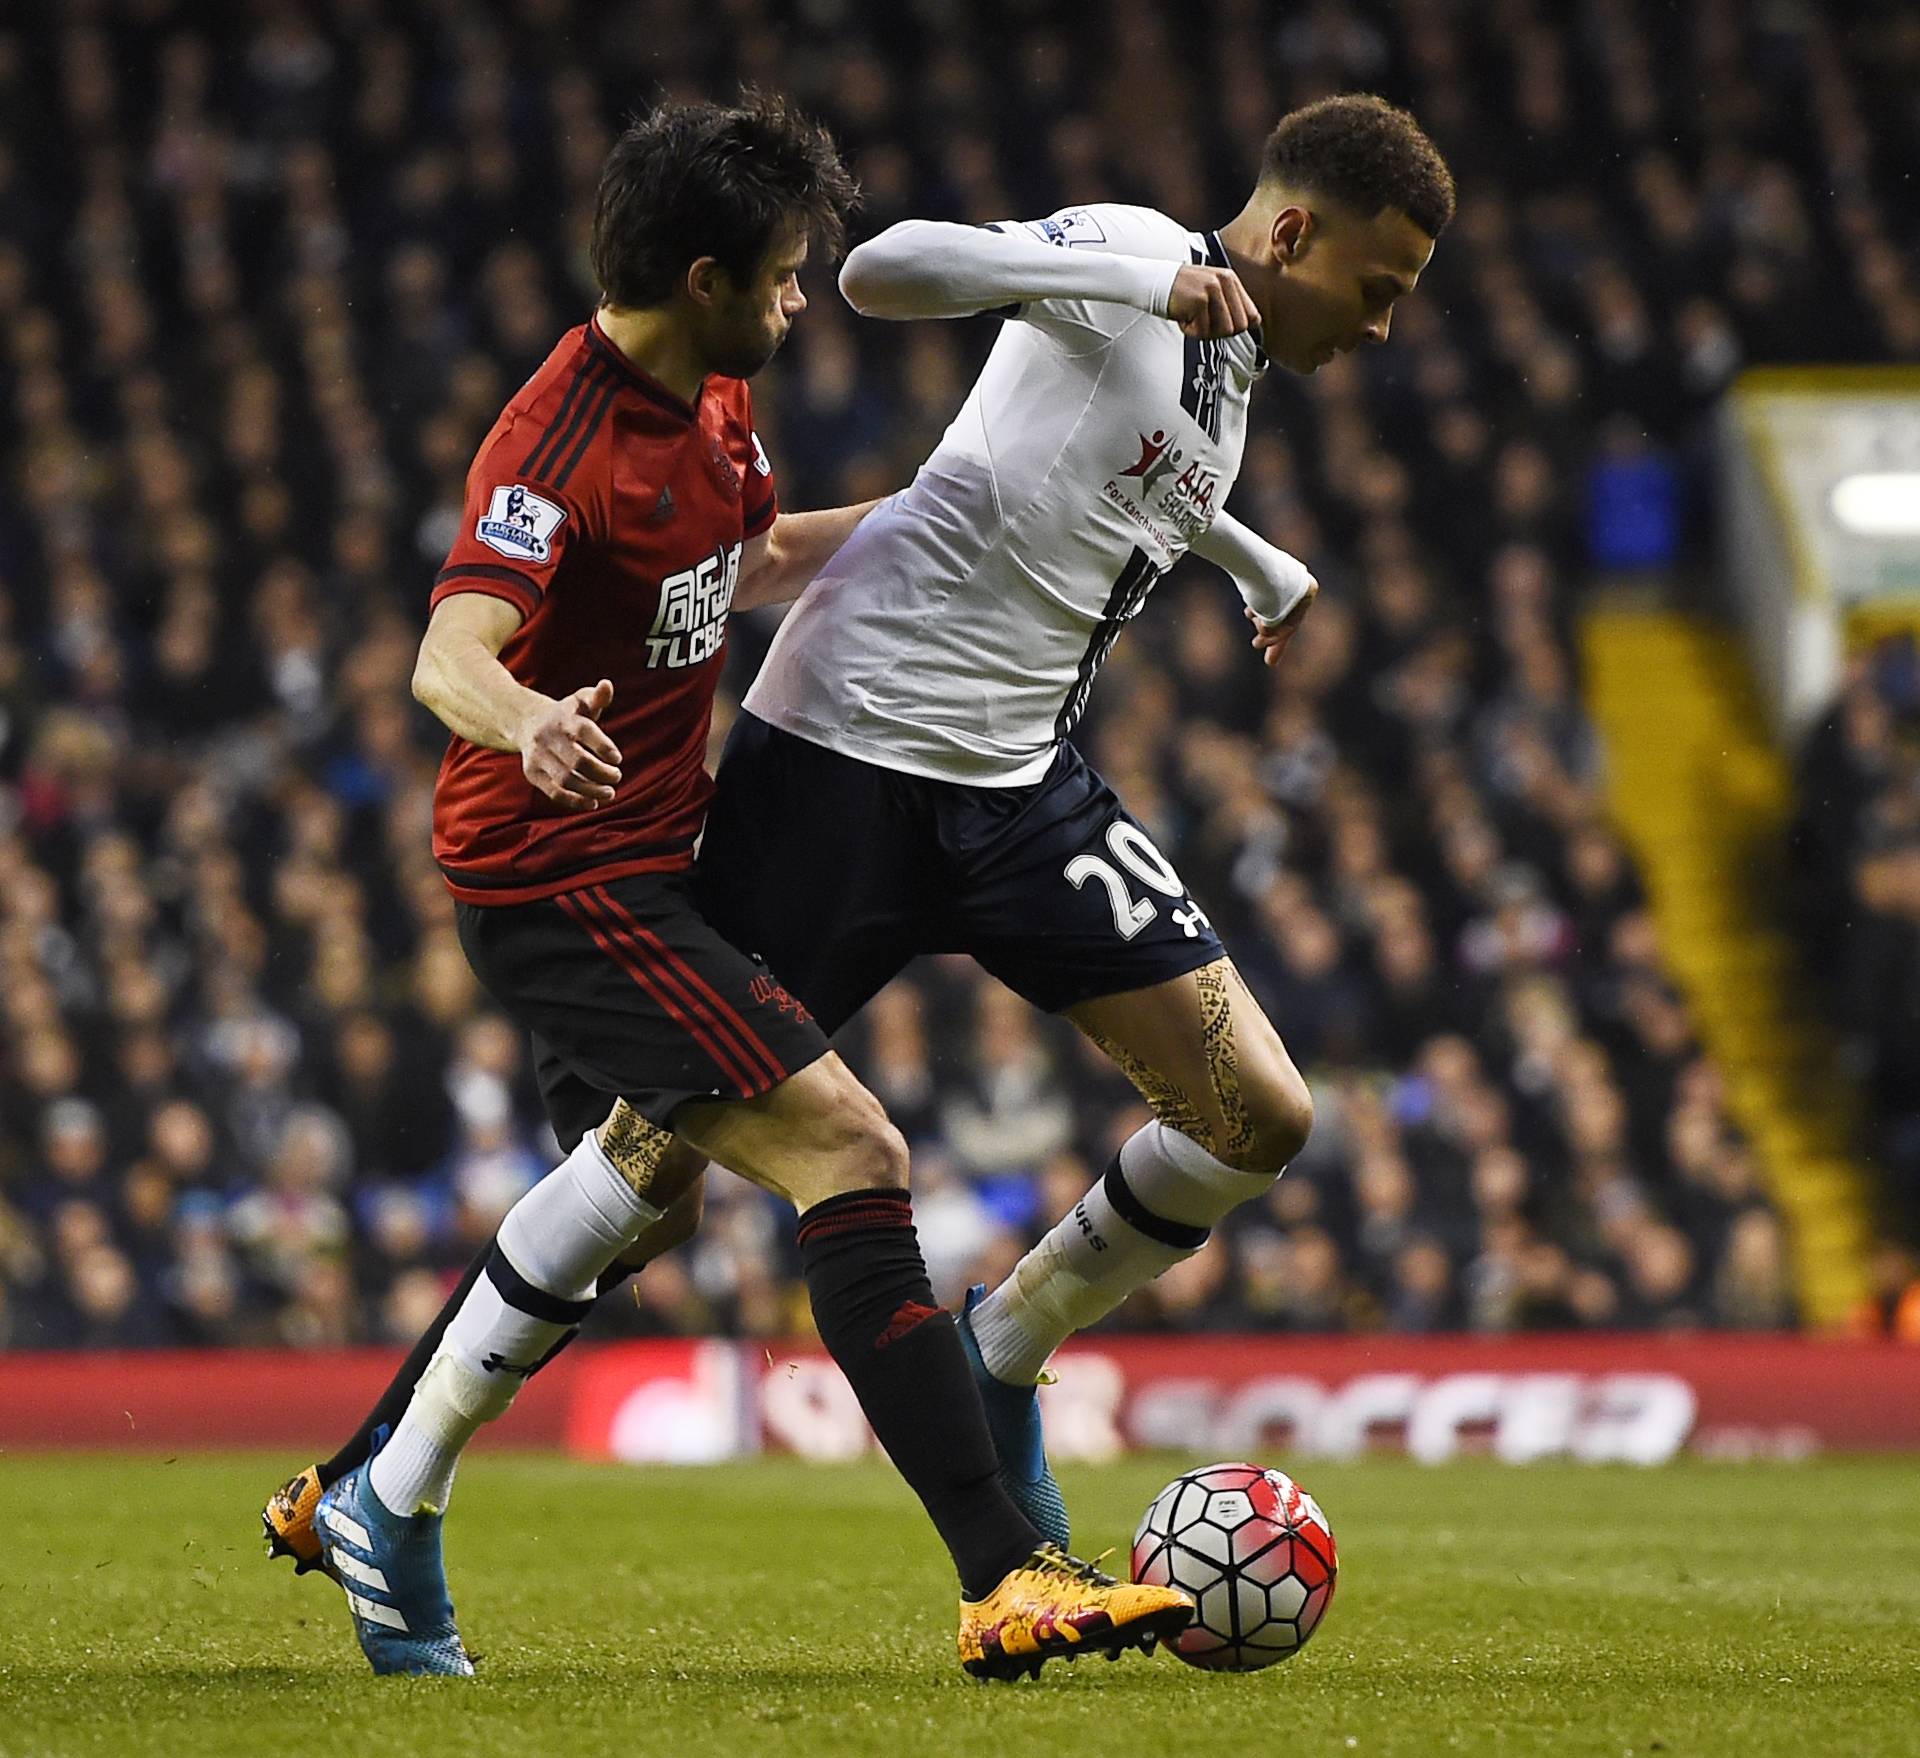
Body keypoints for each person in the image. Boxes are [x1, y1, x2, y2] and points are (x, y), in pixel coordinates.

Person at [273, 86, 1451, 1578]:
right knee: (651, 1167)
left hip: (1021, 779)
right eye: (1379, 288)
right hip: (849, 754)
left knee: (1257, 1112)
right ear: (1292, 231)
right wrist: (1125, 275)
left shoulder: (1226, 354)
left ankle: (1005, 1344)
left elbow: (1133, 474)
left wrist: (1260, 562)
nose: (1388, 326)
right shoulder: (1136, 256)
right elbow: (888, 269)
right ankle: (381, 1471)